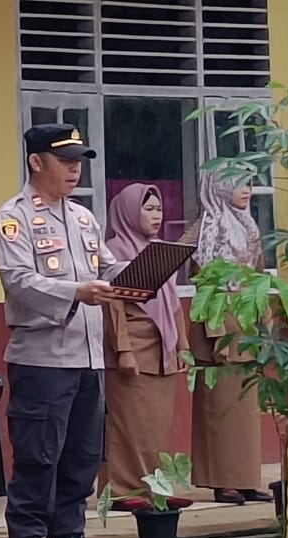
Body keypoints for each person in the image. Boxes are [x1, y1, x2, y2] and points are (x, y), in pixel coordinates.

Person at [0, 123, 128, 538]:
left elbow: (109, 267)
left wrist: (148, 267)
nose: (74, 170)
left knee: (82, 457)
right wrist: (76, 292)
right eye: (65, 161)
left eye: (79, 162)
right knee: (37, 458)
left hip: (89, 358)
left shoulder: (84, 217)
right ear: (36, 161)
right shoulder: (13, 219)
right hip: (42, 360)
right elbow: (21, 282)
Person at [99, 183, 192, 512]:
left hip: (161, 350)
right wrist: (122, 349)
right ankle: (122, 489)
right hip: (133, 348)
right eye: (148, 209)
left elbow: (173, 306)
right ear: (127, 211)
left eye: (159, 209)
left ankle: (157, 489)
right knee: (129, 424)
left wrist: (183, 347)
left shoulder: (157, 250)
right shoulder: (114, 250)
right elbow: (112, 306)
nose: (157, 215)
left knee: (156, 426)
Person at [186, 172, 273, 506]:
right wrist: (216, 332)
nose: (247, 190)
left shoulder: (249, 227)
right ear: (220, 188)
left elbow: (259, 277)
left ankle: (246, 479)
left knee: (246, 412)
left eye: (250, 184)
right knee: (219, 410)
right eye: (239, 183)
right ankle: (222, 481)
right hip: (218, 324)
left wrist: (265, 326)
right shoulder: (205, 227)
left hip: (247, 325)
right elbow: (199, 277)